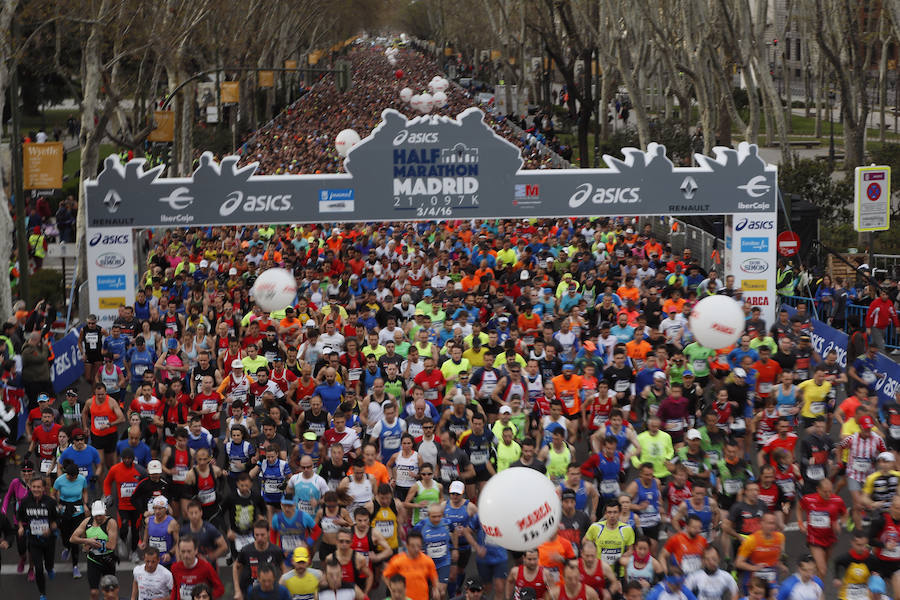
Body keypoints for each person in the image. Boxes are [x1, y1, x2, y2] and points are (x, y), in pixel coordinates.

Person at [17, 476, 59, 600]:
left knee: (49, 563)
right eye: (34, 487)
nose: (36, 489)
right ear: (30, 487)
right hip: (34, 540)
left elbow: (57, 519)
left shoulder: (50, 502)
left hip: (49, 540)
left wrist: (51, 528)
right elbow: (19, 517)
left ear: (44, 488)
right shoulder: (25, 502)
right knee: (39, 569)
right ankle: (42, 593)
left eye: (38, 487)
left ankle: (50, 568)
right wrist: (20, 527)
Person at [798, 478, 846, 580]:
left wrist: (839, 523)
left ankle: (815, 586)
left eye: (830, 491)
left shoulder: (837, 500)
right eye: (825, 491)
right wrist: (800, 523)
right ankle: (818, 591)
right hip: (814, 538)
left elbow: (845, 514)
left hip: (830, 538)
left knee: (822, 568)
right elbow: (799, 507)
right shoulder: (808, 499)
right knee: (822, 569)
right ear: (818, 489)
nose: (828, 494)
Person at [71, 499, 119, 600]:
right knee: (94, 592)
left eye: (100, 515)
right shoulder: (87, 522)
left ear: (105, 512)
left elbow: (111, 545)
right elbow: (73, 538)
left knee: (110, 593)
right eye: (96, 515)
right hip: (93, 561)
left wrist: (93, 544)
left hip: (108, 561)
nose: (98, 517)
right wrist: (87, 541)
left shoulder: (111, 522)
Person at [383, 530, 438, 600]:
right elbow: (386, 576)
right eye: (413, 546)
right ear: (407, 545)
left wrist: (435, 588)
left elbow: (434, 577)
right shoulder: (397, 560)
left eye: (418, 546)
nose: (416, 549)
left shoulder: (428, 561)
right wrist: (392, 590)